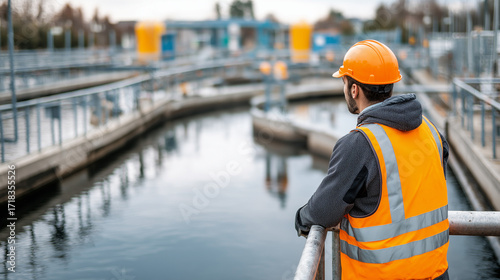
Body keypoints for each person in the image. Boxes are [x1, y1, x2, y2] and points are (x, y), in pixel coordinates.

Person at [295, 40, 450, 280]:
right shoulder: (431, 131)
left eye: (344, 82)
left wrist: (301, 218)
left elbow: (323, 212)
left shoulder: (359, 145)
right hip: (436, 273)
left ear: (354, 90)